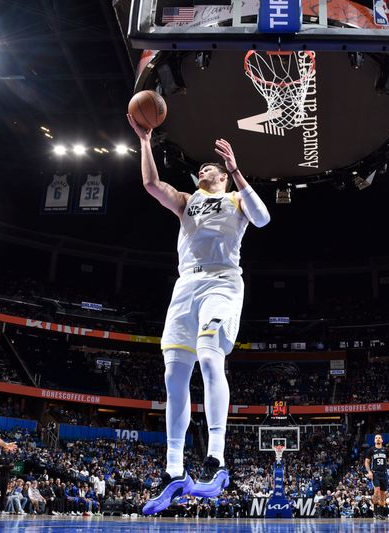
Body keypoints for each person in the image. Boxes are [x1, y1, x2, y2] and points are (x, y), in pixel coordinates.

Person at [127, 114, 271, 515]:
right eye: (201, 168)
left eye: (211, 166)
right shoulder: (187, 201)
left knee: (210, 357)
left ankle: (216, 459)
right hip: (185, 287)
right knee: (174, 374)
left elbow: (263, 219)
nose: (204, 169)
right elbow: (152, 185)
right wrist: (145, 141)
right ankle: (173, 470)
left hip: (223, 284)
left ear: (222, 175)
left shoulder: (236, 198)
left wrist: (237, 172)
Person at [364, 434, 389, 519]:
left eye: (379, 438)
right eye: (376, 438)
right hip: (375, 473)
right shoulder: (371, 450)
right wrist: (369, 472)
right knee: (376, 491)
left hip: (384, 473)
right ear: (374, 440)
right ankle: (376, 512)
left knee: (383, 496)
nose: (378, 439)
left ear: (382, 440)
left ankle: (381, 513)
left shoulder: (386, 450)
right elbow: (366, 462)